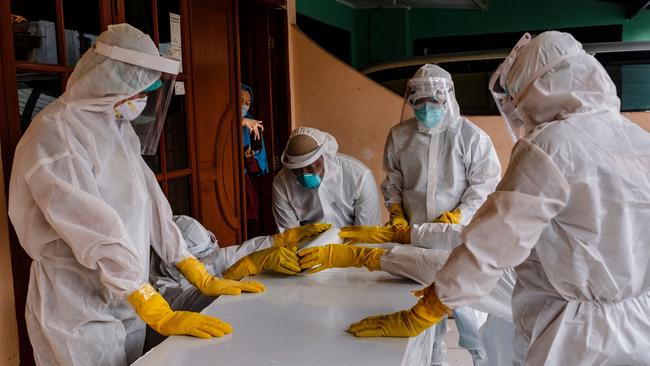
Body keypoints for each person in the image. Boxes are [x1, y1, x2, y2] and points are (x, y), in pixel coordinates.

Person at [346, 31, 650, 365]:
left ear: (541, 88)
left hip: (577, 334)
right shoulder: (637, 138)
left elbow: (491, 246)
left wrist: (429, 308)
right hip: (639, 322)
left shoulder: (550, 145)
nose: (518, 110)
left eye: (519, 97)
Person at [8, 24, 264, 366]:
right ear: (111, 80)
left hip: (127, 296)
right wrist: (147, 300)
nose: (142, 101)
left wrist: (192, 267)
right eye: (139, 90)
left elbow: (151, 201)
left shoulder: (117, 129)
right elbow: (95, 230)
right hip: (78, 309)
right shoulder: (57, 134)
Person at [340, 64, 502, 366]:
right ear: (411, 101)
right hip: (413, 236)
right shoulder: (400, 135)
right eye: (420, 102)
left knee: (469, 314)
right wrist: (396, 210)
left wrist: (456, 216)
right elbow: (394, 181)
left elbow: (484, 187)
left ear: (448, 98)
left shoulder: (470, 137)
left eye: (433, 101)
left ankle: (483, 361)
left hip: (455, 240)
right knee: (424, 315)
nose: (426, 108)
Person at [146, 216, 329, 348]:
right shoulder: (157, 288)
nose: (203, 264)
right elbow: (193, 301)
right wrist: (236, 273)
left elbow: (235, 253)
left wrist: (280, 240)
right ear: (173, 260)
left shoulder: (186, 264)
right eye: (197, 260)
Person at [272, 127, 381, 231]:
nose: (305, 174)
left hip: (353, 244)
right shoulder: (282, 184)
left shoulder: (359, 176)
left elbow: (367, 232)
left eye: (312, 167)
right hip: (308, 245)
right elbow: (290, 234)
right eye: (297, 170)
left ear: (324, 156)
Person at [240, 84, 269, 236]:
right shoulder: (225, 120)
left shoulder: (252, 123)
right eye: (240, 101)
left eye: (247, 102)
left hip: (244, 181)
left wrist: (250, 158)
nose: (244, 106)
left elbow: (258, 165)